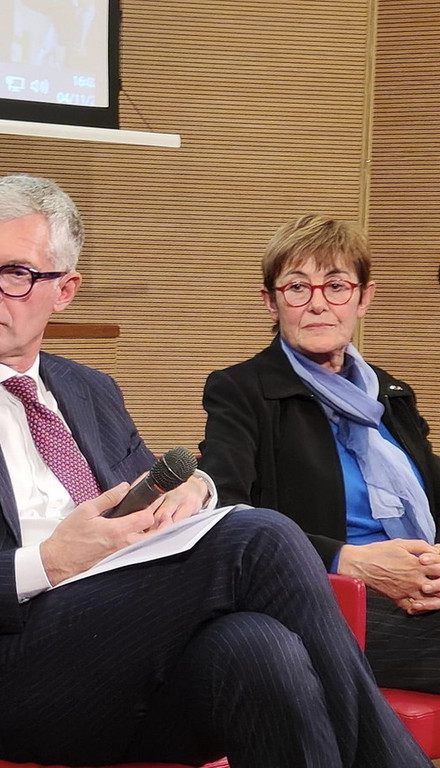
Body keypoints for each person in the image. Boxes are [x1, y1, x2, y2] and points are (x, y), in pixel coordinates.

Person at [0, 175, 430, 767]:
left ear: (65, 290)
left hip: (118, 656)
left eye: (16, 274)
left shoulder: (90, 390)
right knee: (262, 535)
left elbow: (155, 506)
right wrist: (49, 562)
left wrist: (192, 495)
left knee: (261, 648)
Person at [199, 214, 440, 694]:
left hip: (423, 587)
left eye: (336, 286)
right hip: (325, 599)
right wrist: (346, 559)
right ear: (270, 302)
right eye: (296, 287)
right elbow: (223, 513)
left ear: (363, 298)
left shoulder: (391, 394)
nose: (317, 304)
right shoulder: (241, 390)